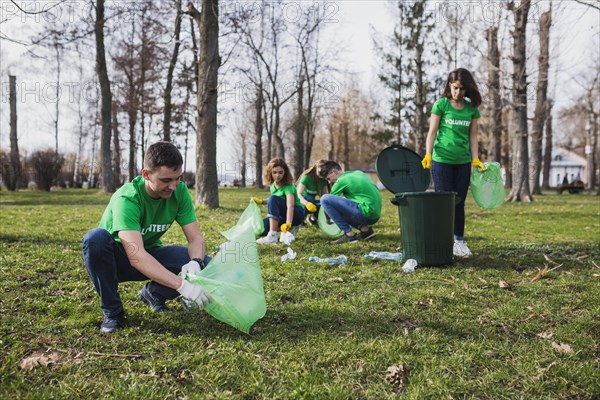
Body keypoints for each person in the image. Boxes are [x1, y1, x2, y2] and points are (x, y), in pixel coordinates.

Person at [82, 141, 212, 333]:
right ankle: (113, 313)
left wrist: (196, 262)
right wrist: (182, 285)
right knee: (95, 239)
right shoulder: (127, 198)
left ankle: (154, 293)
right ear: (146, 174)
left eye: (178, 178)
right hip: (115, 261)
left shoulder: (180, 192)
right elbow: (136, 256)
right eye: (166, 180)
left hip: (149, 254)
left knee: (205, 263)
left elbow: (196, 239)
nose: (173, 186)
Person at [421, 68, 485, 258]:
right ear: (450, 86)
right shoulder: (441, 105)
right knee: (444, 203)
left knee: (459, 202)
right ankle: (444, 242)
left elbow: (473, 136)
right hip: (442, 161)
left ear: (467, 90)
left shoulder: (471, 109)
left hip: (463, 162)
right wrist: (428, 154)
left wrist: (475, 159)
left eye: (462, 89)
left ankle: (459, 241)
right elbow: (432, 132)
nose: (458, 92)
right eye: (455, 88)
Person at [317, 161, 382, 243]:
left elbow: (328, 203)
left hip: (366, 212)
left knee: (324, 199)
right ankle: (366, 231)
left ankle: (349, 235)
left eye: (328, 179)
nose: (329, 182)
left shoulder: (341, 181)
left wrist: (328, 220)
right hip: (375, 214)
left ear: (334, 171)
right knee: (343, 202)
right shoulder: (358, 173)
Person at [253, 157, 306, 244]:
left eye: (280, 172)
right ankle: (279, 230)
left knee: (272, 198)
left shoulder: (288, 186)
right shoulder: (272, 186)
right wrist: (261, 201)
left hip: (297, 214)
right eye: (274, 172)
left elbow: (290, 206)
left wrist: (288, 223)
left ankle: (273, 236)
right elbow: (276, 200)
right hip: (283, 214)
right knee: (261, 229)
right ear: (270, 172)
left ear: (285, 173)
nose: (277, 175)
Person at [296, 160, 329, 225]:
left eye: (324, 171)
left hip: (312, 202)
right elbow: (298, 194)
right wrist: (307, 203)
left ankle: (312, 219)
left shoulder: (323, 180)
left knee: (323, 204)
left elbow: (324, 196)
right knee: (309, 198)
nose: (322, 173)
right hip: (300, 202)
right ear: (316, 168)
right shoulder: (307, 177)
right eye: (321, 171)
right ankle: (300, 221)